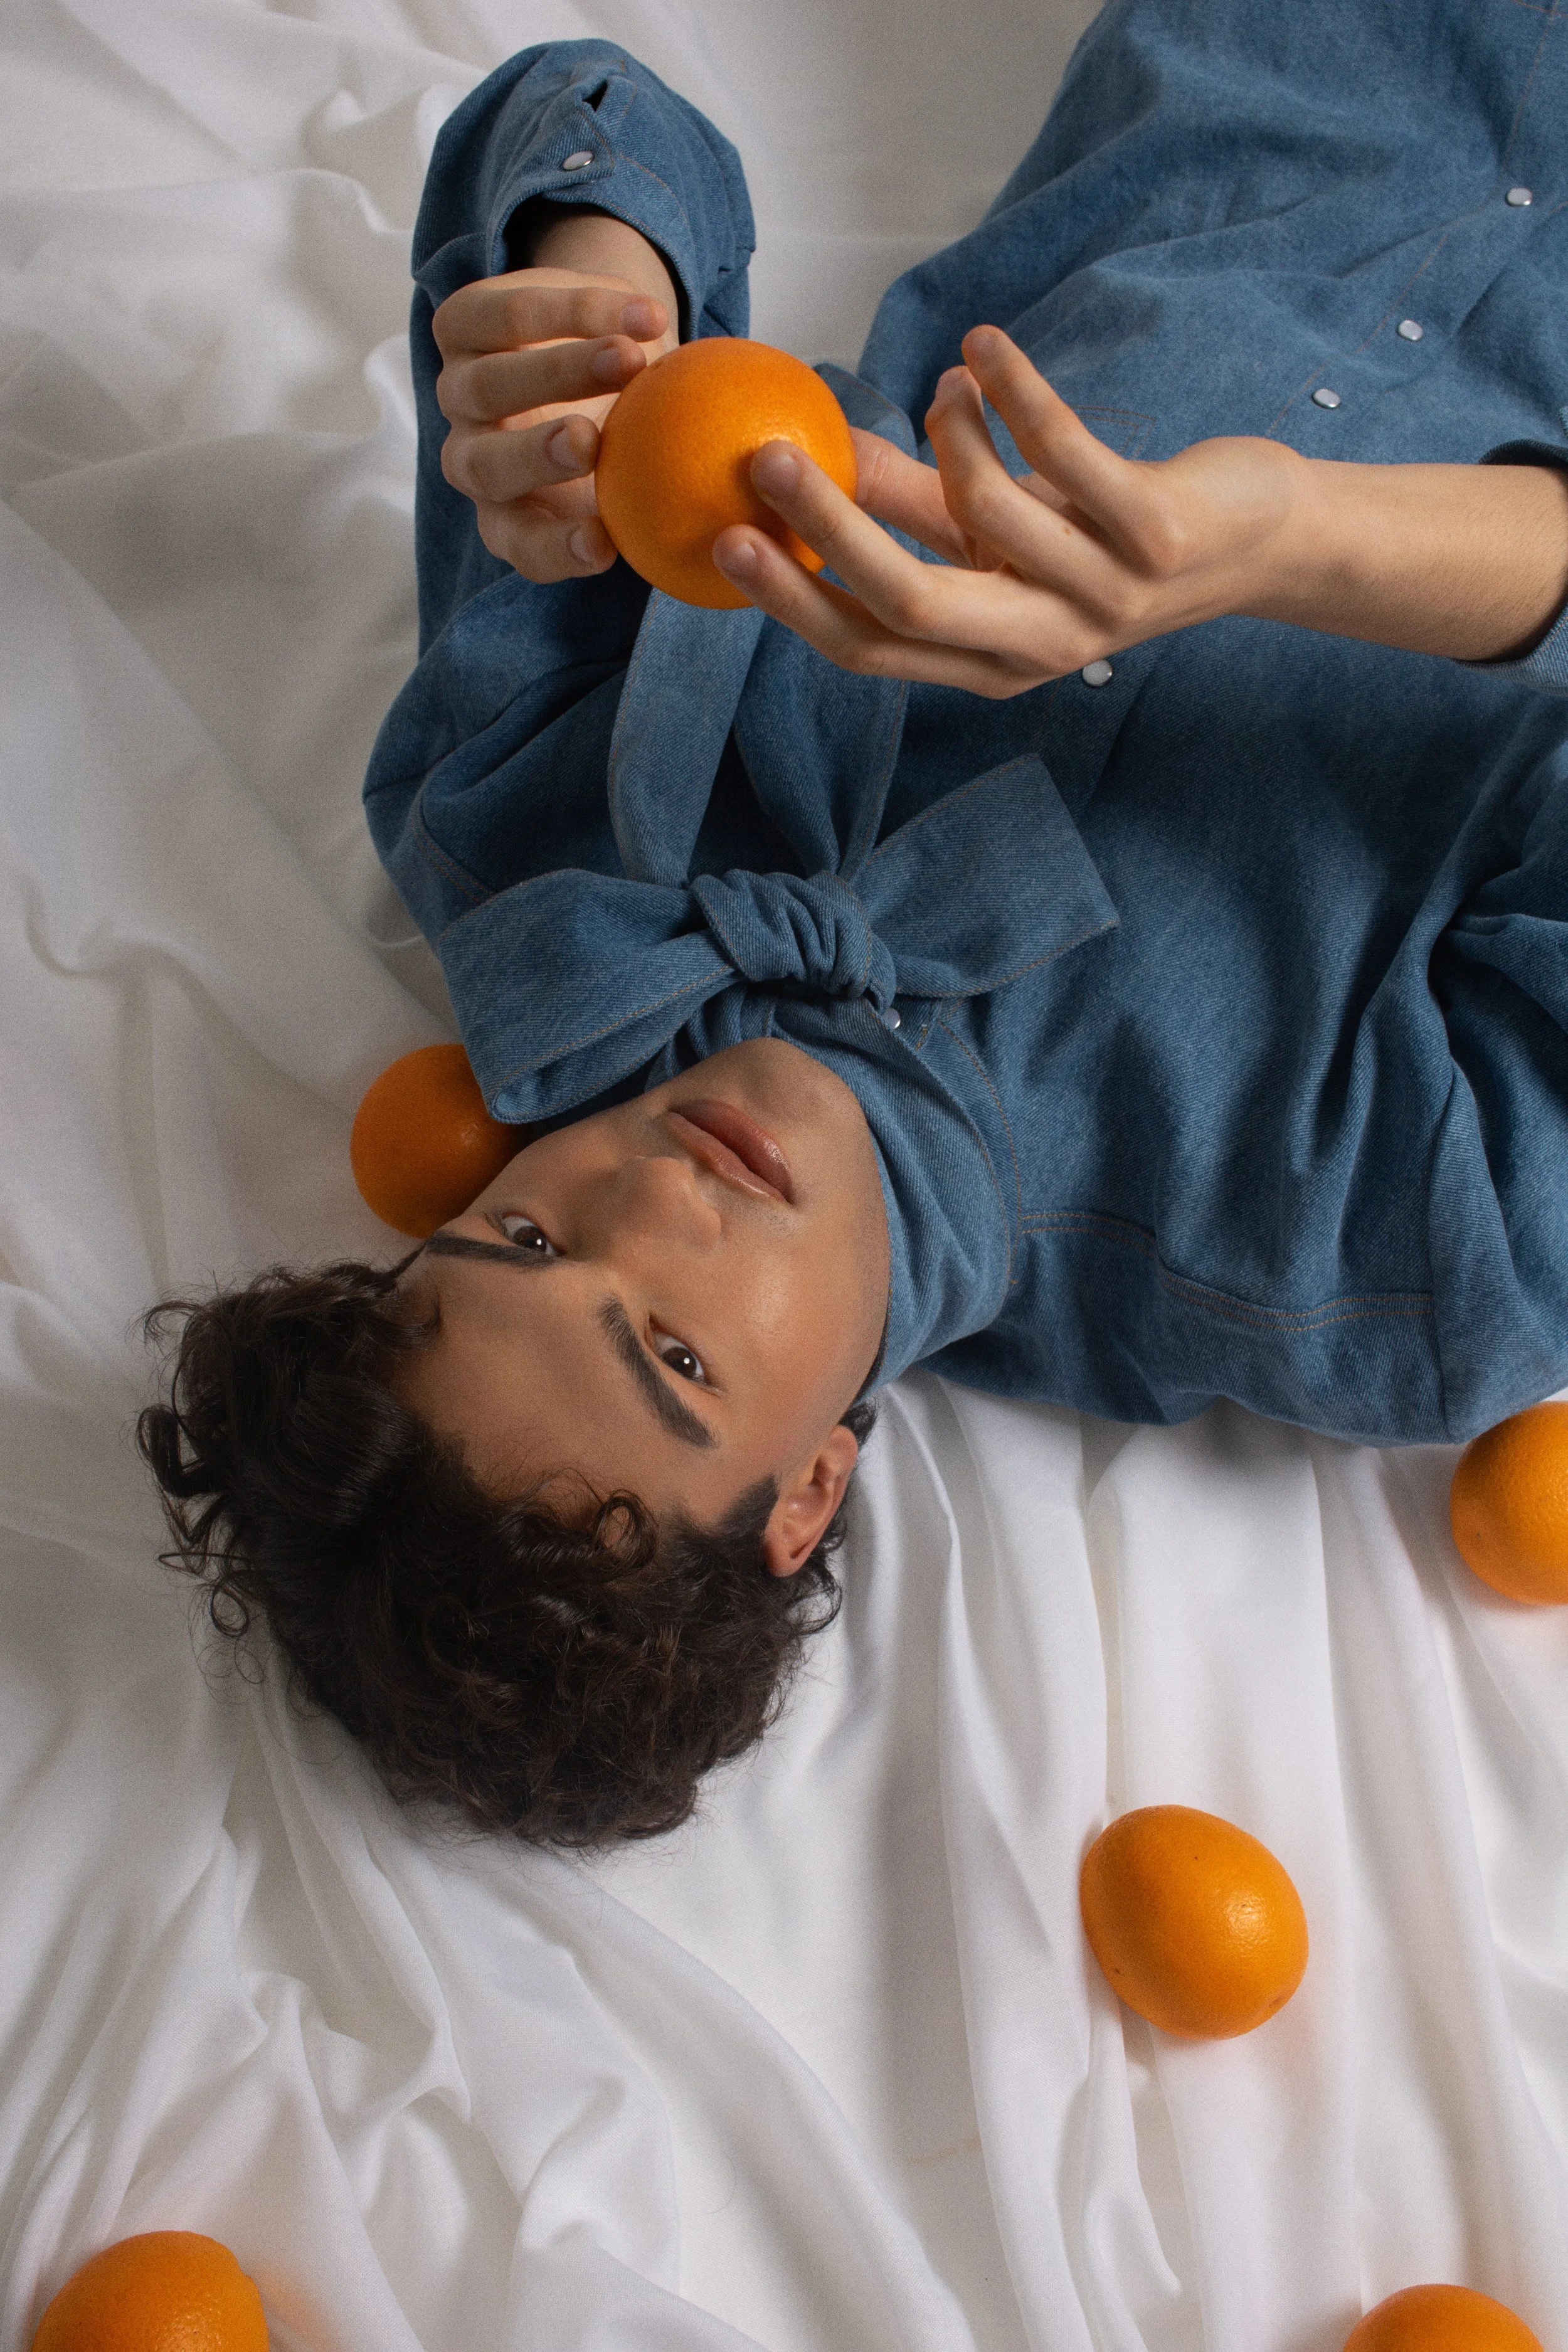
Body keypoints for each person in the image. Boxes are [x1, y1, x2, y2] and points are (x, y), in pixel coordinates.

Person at [140, 0, 1568, 1846]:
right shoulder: (1382, 1259)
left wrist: (589, 315)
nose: (651, 1192)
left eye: (522, 1232)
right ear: (808, 1492)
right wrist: (1299, 540)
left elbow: (582, 113)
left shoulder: (530, 842)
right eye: (675, 1356)